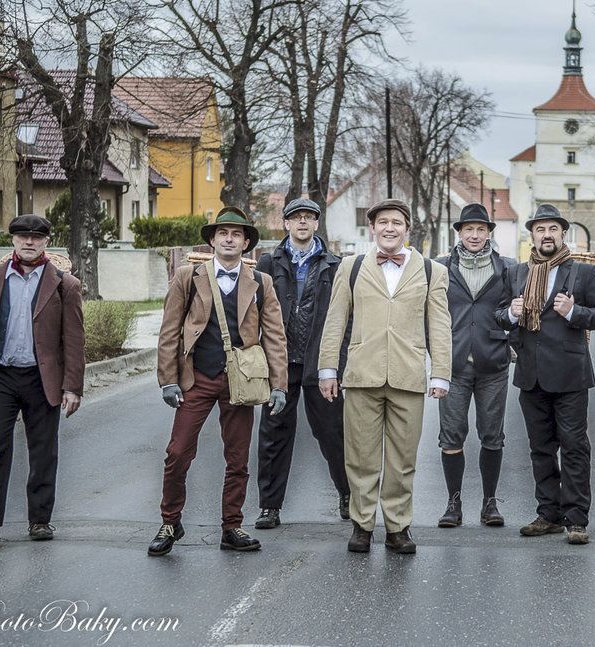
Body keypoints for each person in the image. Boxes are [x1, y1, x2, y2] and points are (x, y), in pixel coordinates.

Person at [149, 207, 288, 557]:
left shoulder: (261, 283)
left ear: (245, 243)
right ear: (212, 240)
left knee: (237, 457)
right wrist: (168, 379)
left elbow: (275, 337)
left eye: (236, 234)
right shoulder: (188, 276)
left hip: (240, 382)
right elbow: (169, 331)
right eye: (223, 233)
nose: (229, 238)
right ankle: (170, 521)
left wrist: (279, 384)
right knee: (177, 452)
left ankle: (232, 526)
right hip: (196, 378)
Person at [318, 198, 452, 555]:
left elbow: (439, 324)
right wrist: (328, 368)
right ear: (373, 228)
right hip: (362, 374)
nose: (389, 228)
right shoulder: (351, 266)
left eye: (397, 222)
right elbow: (335, 320)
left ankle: (397, 526)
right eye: (383, 222)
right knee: (360, 456)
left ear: (407, 229)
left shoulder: (430, 271)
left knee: (403, 458)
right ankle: (362, 525)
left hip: (408, 376)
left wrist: (441, 373)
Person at [494, 204, 595, 545]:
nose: (546, 235)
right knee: (540, 448)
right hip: (531, 375)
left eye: (553, 229)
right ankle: (548, 513)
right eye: (540, 229)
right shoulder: (517, 274)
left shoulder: (583, 273)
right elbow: (498, 317)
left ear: (563, 234)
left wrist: (574, 311)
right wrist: (511, 314)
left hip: (570, 374)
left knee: (575, 446)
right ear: (531, 234)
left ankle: (576, 518)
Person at [0, 215, 85, 547]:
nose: (29, 242)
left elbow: (74, 339)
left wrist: (72, 386)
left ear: (46, 241)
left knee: (44, 451)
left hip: (41, 378)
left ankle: (40, 521)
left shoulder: (64, 284)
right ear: (13, 241)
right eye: (22, 237)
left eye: (35, 237)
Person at [253, 198, 350, 530]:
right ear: (286, 224)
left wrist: (337, 363)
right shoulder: (268, 262)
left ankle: (347, 494)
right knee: (273, 434)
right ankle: (269, 506)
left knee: (333, 433)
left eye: (309, 217)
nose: (303, 223)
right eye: (297, 218)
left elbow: (344, 318)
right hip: (280, 364)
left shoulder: (334, 265)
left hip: (320, 364)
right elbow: (254, 311)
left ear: (316, 224)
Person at [435, 203, 515, 528]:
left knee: (492, 435)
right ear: (459, 232)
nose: (475, 234)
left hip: (492, 363)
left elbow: (513, 308)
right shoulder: (441, 268)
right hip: (452, 364)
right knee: (451, 436)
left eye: (481, 229)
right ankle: (453, 503)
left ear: (489, 234)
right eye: (469, 229)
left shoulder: (507, 269)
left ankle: (489, 503)